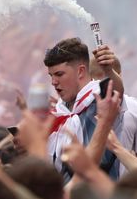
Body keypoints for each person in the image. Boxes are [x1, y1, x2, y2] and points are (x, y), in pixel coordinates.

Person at [43, 37, 124, 180]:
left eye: (59, 74)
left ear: (80, 71)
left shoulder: (99, 98)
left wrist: (109, 71)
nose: (53, 82)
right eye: (51, 75)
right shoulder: (60, 110)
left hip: (98, 197)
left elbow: (116, 91)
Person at [89, 55, 137, 174]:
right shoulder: (81, 110)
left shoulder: (135, 109)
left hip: (126, 190)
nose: (106, 88)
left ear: (119, 77)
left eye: (109, 80)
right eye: (99, 83)